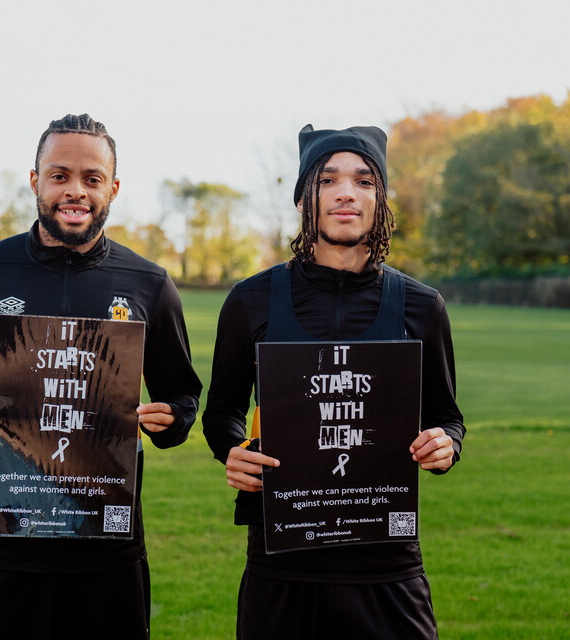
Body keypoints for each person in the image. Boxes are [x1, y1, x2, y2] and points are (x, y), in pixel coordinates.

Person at [0, 113, 202, 639]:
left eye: (92, 179)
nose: (75, 191)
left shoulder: (149, 284)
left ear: (113, 188)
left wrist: (171, 420)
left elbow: (182, 394)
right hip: (5, 545)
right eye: (59, 175)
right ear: (35, 181)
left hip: (108, 550)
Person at [202, 124, 465, 639]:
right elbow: (221, 414)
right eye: (328, 180)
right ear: (304, 197)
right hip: (282, 561)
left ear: (381, 199)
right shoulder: (250, 301)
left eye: (365, 181)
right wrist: (233, 450)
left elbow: (447, 418)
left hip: (385, 566)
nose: (347, 192)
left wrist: (445, 444)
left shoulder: (422, 306)